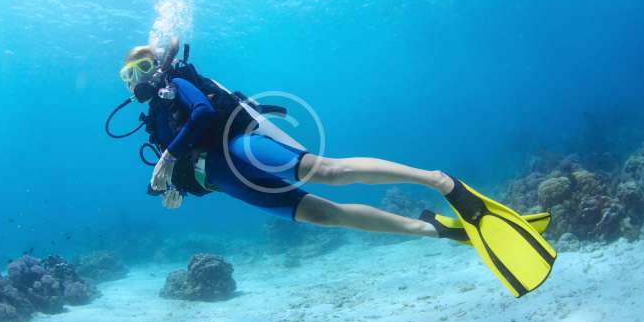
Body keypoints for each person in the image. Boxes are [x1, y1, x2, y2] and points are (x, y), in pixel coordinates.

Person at [115, 38, 556, 297]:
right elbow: (182, 160)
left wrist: (169, 159)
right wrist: (177, 186)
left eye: (144, 67)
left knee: (328, 172)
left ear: (159, 66)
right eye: (129, 75)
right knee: (326, 215)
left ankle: (440, 181)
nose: (139, 78)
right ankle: (436, 230)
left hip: (240, 150)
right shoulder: (153, 118)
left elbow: (203, 116)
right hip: (224, 179)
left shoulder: (178, 84)